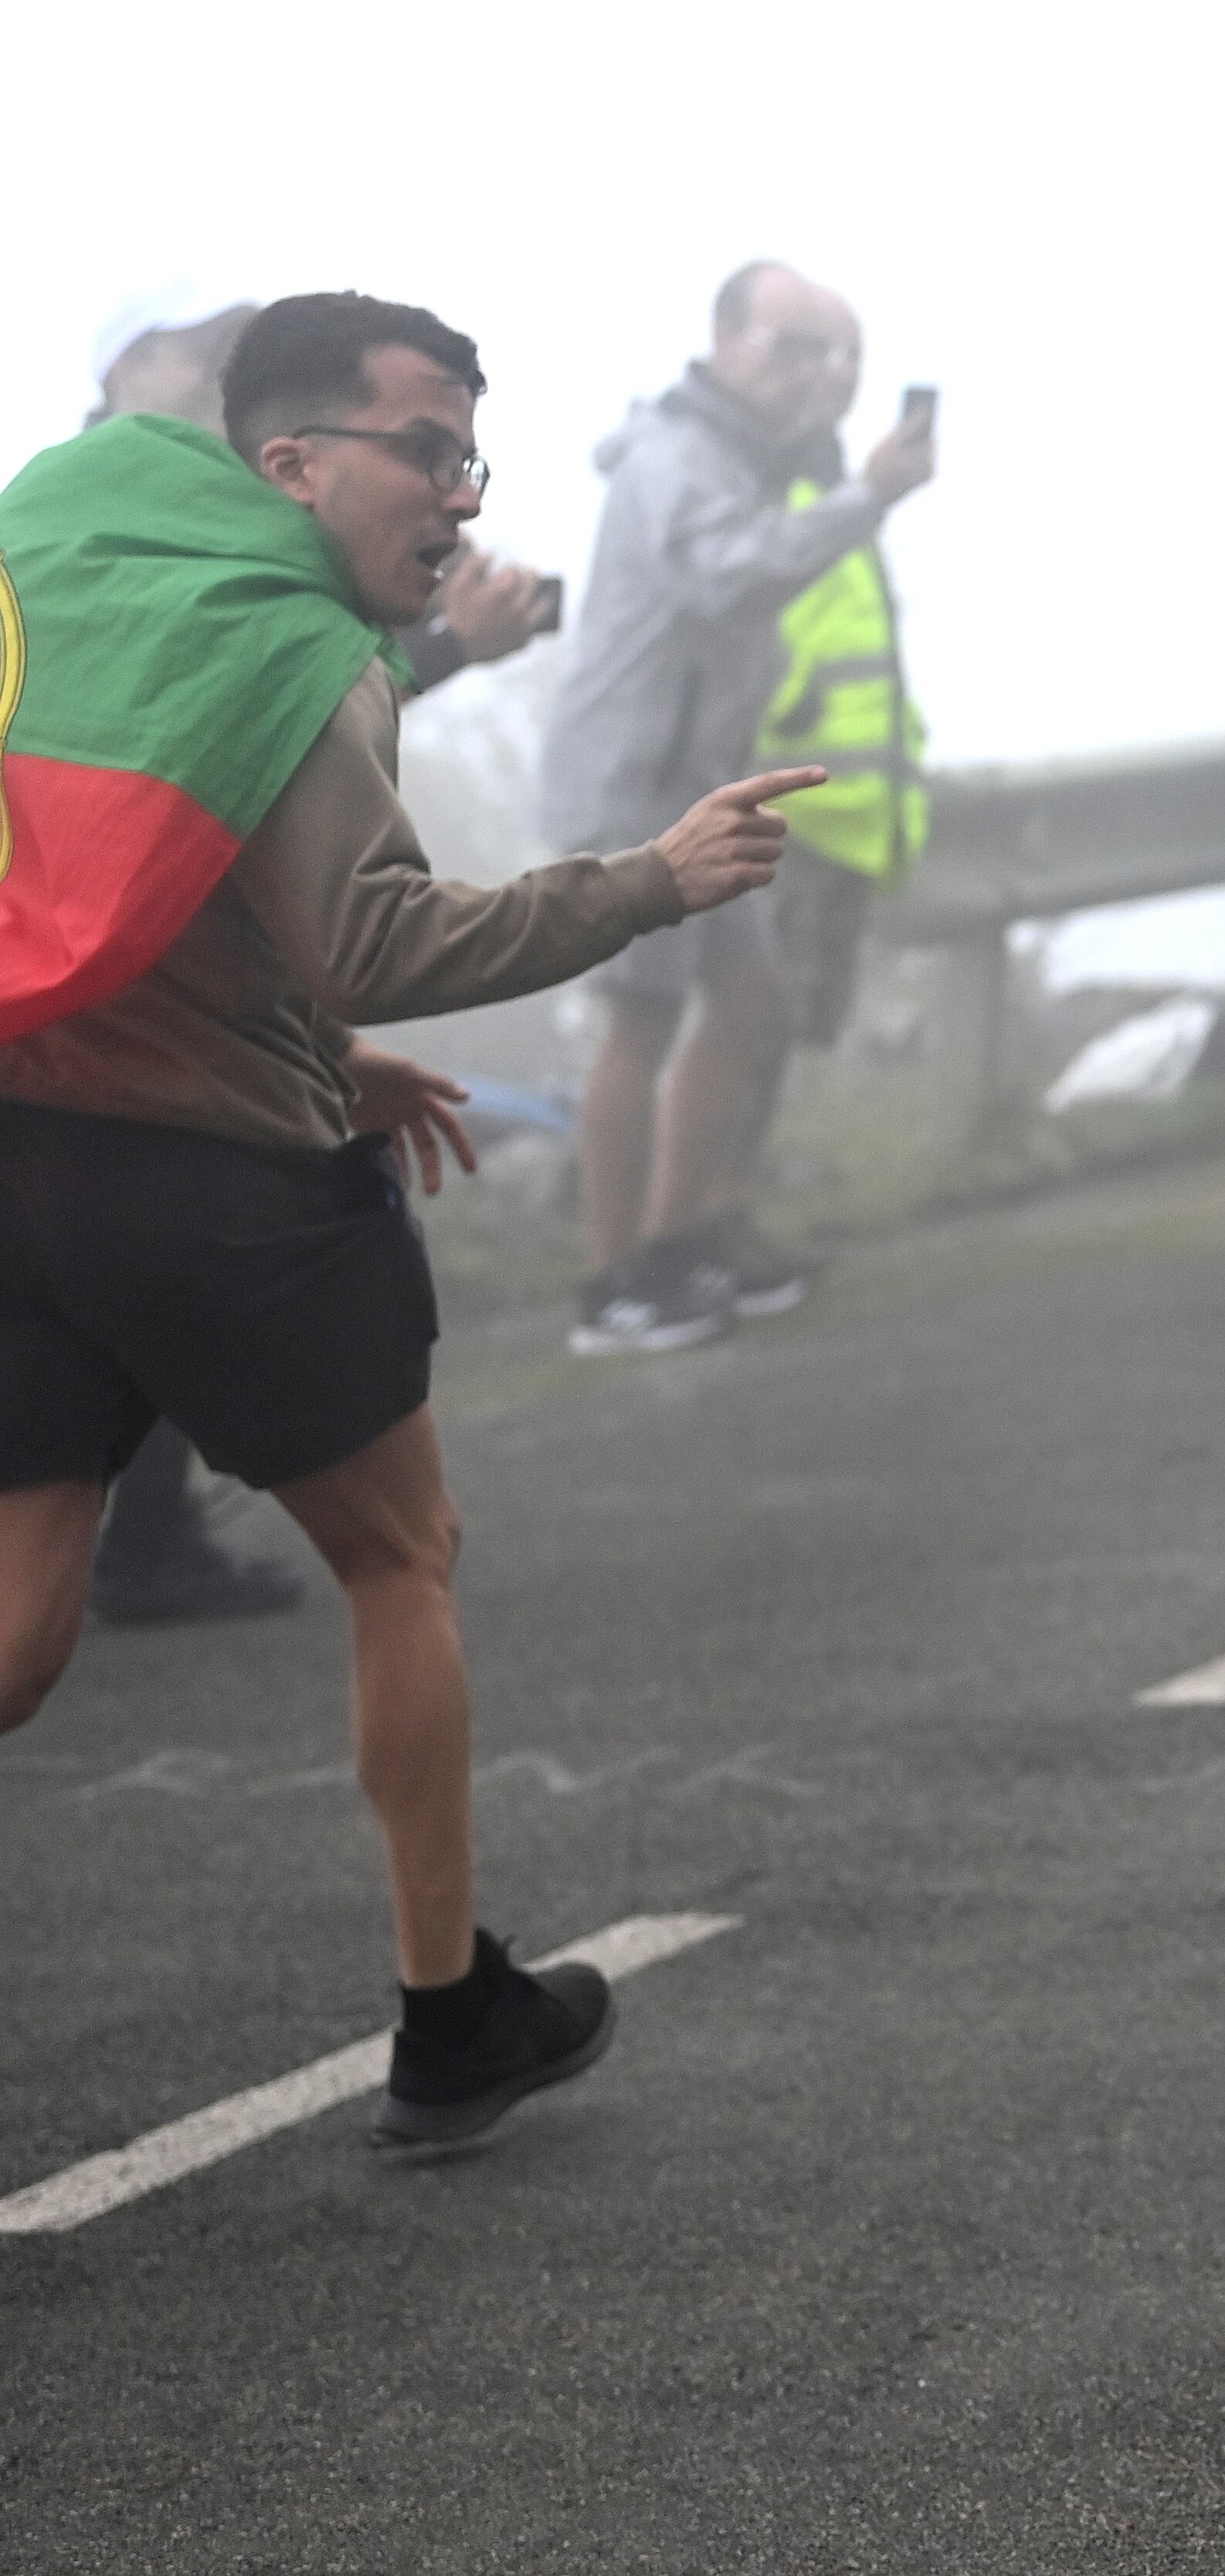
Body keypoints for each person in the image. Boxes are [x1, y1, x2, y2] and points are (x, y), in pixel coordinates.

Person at [0, 292, 809, 2141]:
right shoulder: (298, 645)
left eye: (471, 453)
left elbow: (112, 872)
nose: (460, 494)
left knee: (21, 1633)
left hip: (26, 1155)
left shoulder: (76, 548)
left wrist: (321, 1047)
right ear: (292, 463)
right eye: (425, 448)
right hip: (223, 1196)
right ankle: (453, 2015)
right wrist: (648, 881)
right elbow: (369, 929)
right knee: (399, 1554)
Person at [79, 287, 557, 1629]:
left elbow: (273, 714)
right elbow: (258, 705)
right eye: (198, 384)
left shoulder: (97, 527)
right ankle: (140, 1537)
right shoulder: (125, 541)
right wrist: (457, 642)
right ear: (133, 388)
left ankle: (143, 1534)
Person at [544, 260, 933, 1355]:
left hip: (700, 774)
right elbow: (728, 577)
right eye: (791, 348)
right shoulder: (678, 457)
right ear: (723, 341)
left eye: (837, 354)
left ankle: (687, 1242)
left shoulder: (752, 457)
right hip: (634, 781)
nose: (820, 374)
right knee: (644, 1019)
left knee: (751, 1003)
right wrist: (870, 497)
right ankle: (609, 1284)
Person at [750, 450, 929, 1052]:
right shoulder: (771, 492)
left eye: (848, 355)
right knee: (752, 1029)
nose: (835, 373)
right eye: (814, 352)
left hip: (851, 814)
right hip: (790, 814)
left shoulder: (843, 501)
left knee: (800, 1036)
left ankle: (759, 1149)